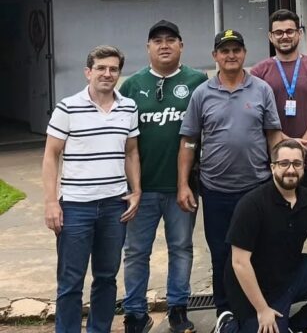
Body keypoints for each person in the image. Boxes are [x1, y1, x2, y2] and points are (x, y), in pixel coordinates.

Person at [177, 29, 283, 316]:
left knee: (259, 251)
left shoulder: (261, 89)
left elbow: (273, 134)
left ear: (244, 53)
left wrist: (282, 169)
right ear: (215, 56)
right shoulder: (202, 94)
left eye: (236, 49)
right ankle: (225, 311)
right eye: (225, 50)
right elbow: (188, 141)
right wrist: (183, 185)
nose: (231, 55)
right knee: (222, 254)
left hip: (257, 188)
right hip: (216, 191)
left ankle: (259, 309)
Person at [42, 45, 142, 333]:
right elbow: (51, 155)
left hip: (115, 206)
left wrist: (136, 190)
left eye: (113, 69)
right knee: (71, 281)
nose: (107, 74)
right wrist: (51, 202)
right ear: (88, 72)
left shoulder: (128, 107)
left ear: (119, 73)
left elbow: (131, 152)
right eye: (100, 68)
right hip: (75, 207)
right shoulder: (67, 107)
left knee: (107, 278)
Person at [214, 139, 307, 333]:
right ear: (273, 168)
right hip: (254, 288)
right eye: (284, 164)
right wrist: (262, 310)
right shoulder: (252, 204)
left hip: (292, 274)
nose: (291, 169)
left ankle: (295, 327)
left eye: (297, 164)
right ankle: (228, 324)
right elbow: (239, 263)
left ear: (303, 167)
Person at [120, 21, 207, 333]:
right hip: (140, 190)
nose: (164, 45)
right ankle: (134, 313)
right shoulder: (131, 85)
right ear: (148, 48)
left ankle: (178, 308)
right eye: (157, 41)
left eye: (171, 40)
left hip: (182, 188)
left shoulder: (197, 81)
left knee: (181, 248)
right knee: (135, 252)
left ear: (181, 45)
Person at [252, 9, 307, 207]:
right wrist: (288, 145)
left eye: (290, 31)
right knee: (277, 225)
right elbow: (257, 117)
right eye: (278, 32)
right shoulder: (259, 71)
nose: (285, 36)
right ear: (270, 36)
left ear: (300, 33)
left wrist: (301, 146)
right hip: (275, 161)